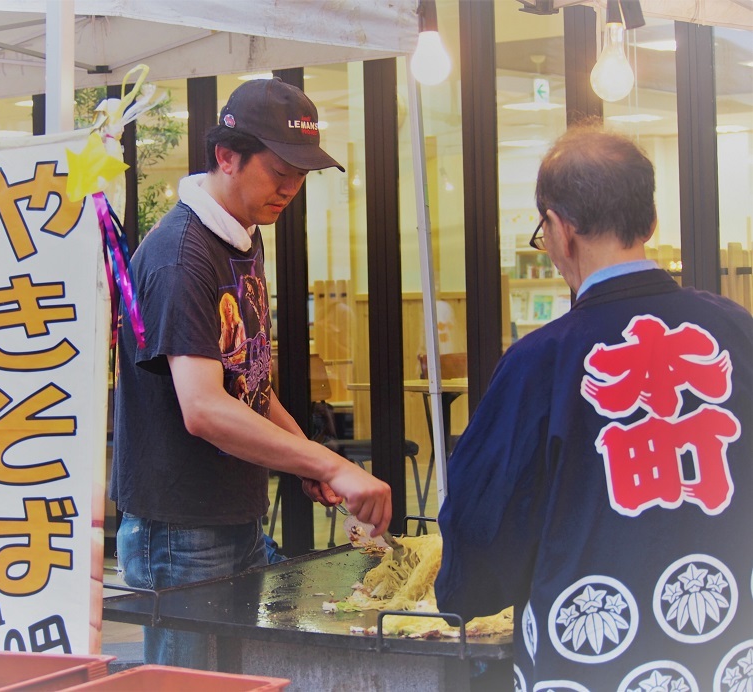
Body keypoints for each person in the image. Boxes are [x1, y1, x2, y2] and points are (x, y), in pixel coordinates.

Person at [434, 124, 752, 691]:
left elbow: (484, 518)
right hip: (731, 651)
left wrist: (469, 593)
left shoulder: (542, 361)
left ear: (559, 228)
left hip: (590, 658)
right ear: (651, 222)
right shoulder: (738, 331)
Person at [111, 77, 392, 670]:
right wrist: (330, 463)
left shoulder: (241, 238)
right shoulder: (182, 254)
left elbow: (249, 381)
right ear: (226, 156)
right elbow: (205, 407)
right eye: (280, 169)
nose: (291, 188)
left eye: (302, 174)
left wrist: (301, 450)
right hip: (180, 528)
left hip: (232, 512)